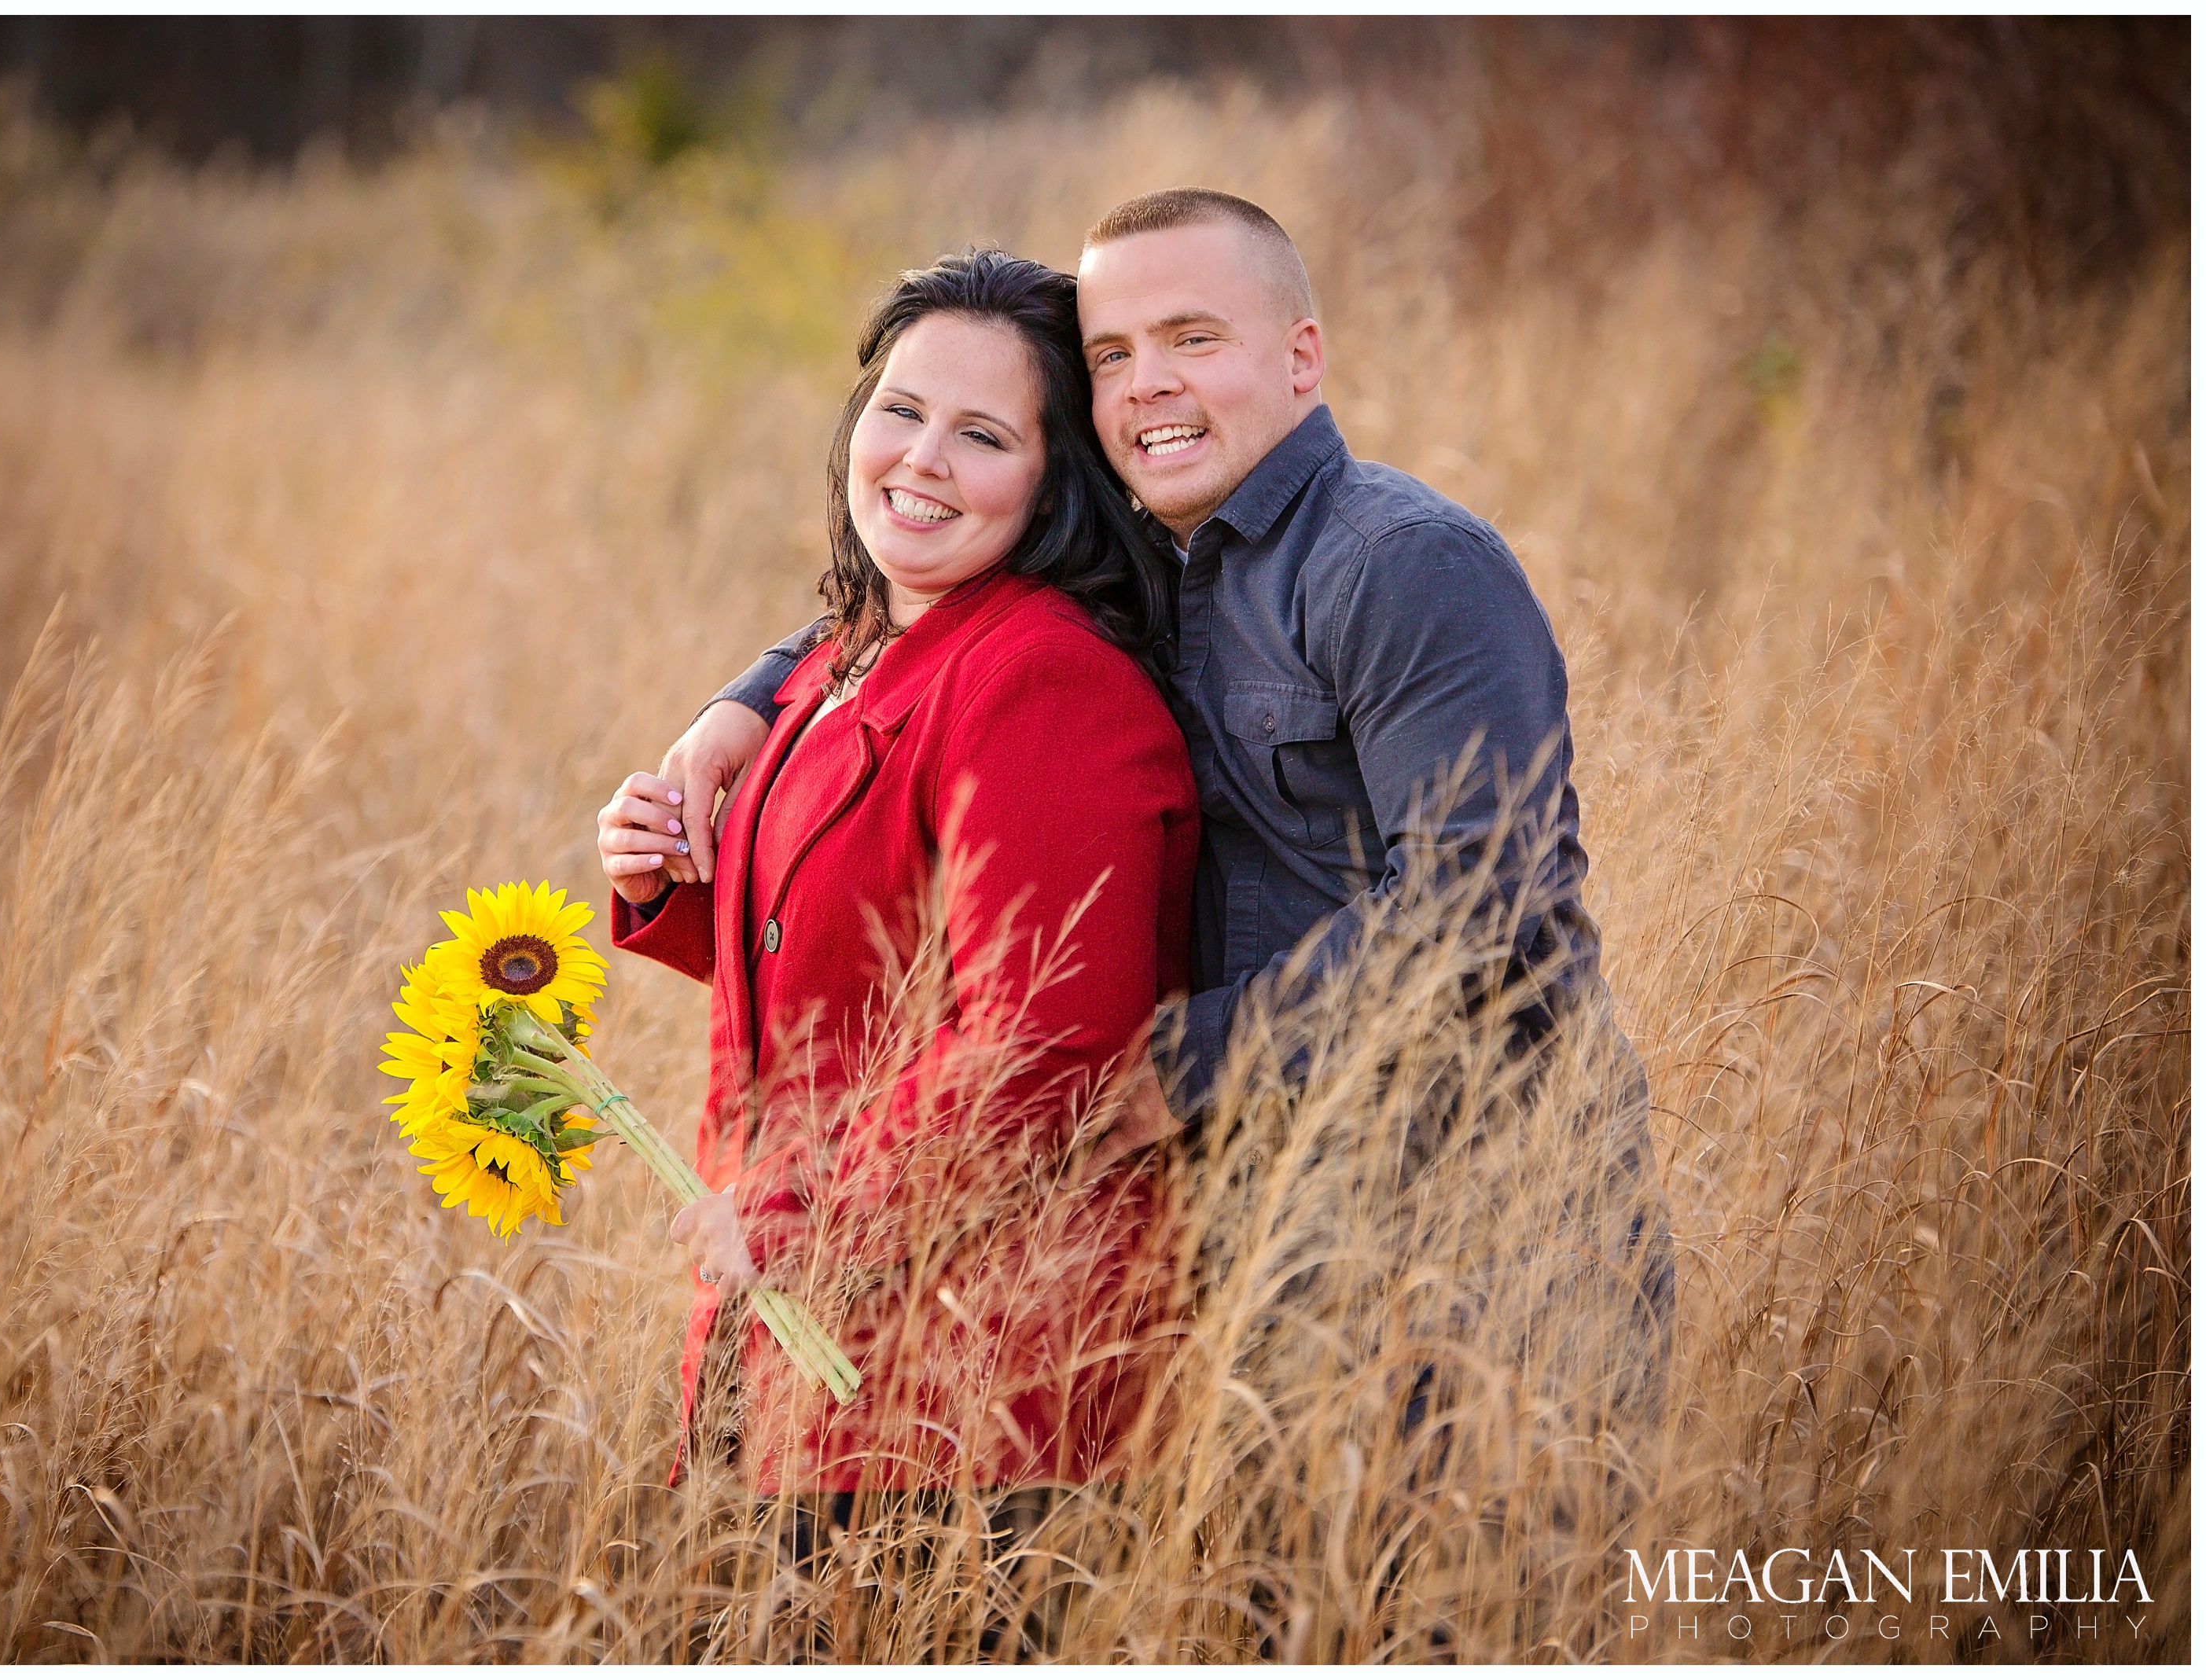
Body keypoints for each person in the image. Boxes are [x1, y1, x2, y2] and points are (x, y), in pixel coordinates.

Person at [654, 189, 1675, 1431]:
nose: (1148, 385)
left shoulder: (1404, 565)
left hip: (1482, 1218)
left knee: (1471, 1611)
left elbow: (1479, 903)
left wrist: (1172, 1063)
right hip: (1256, 1231)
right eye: (1112, 356)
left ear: (1302, 356)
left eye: (1195, 339)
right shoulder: (1151, 551)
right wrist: (751, 699)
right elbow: (930, 563)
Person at [594, 248, 1200, 1561]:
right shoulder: (852, 652)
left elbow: (1041, 1038)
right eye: (900, 410)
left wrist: (801, 1216)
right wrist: (671, 865)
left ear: (1053, 481)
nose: (920, 459)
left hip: (969, 1393)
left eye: (983, 434)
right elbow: (864, 954)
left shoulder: (1046, 683)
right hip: (809, 1354)